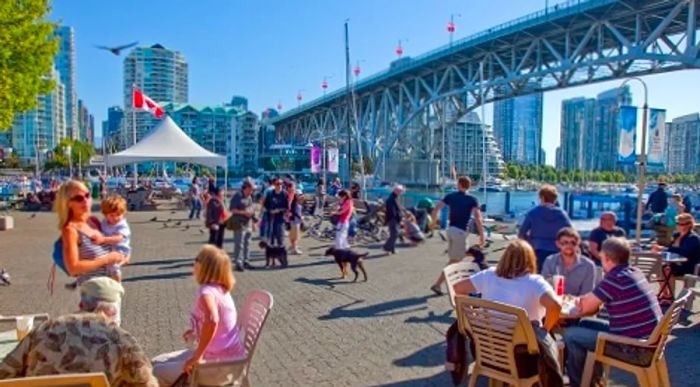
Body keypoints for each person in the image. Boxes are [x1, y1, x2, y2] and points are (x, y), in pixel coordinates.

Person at [0, 277, 157, 386]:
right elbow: (146, 383)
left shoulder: (46, 328)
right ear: (112, 311)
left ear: (82, 304)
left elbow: (5, 373)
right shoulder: (122, 339)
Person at [453, 240, 563, 377]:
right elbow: (555, 306)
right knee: (550, 342)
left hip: (485, 353)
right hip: (522, 362)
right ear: (530, 259)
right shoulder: (535, 282)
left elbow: (458, 288)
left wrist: (473, 318)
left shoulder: (489, 275)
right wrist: (545, 329)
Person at [563, 237, 662, 387]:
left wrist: (580, 301)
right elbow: (592, 304)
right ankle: (592, 380)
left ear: (608, 259)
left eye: (602, 258)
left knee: (571, 334)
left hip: (634, 348)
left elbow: (587, 307)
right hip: (648, 340)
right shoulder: (634, 271)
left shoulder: (615, 279)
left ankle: (580, 383)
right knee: (583, 323)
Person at [152, 245, 245, 386]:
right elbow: (217, 324)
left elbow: (213, 321)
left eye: (197, 259)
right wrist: (195, 331)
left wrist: (197, 356)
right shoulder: (221, 288)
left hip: (216, 368)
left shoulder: (206, 292)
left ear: (205, 267)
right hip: (230, 362)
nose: (193, 263)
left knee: (154, 372)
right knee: (155, 362)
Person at [55, 180, 127, 286]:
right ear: (68, 203)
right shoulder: (70, 230)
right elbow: (73, 268)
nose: (85, 200)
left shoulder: (93, 221)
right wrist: (107, 259)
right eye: (79, 198)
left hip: (112, 291)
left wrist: (120, 256)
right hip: (94, 294)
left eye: (87, 195)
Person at [430, 176, 484, 295]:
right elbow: (478, 219)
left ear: (458, 185)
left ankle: (450, 285)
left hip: (451, 230)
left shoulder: (450, 196)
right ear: (469, 186)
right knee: (455, 261)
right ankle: (440, 285)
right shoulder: (472, 199)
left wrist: (433, 224)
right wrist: (482, 236)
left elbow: (436, 209)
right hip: (460, 232)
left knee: (455, 260)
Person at [518, 184, 572, 272]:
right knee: (555, 278)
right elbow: (571, 233)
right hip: (556, 251)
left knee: (536, 277)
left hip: (536, 250)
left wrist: (529, 242)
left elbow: (522, 233)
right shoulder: (562, 214)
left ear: (542, 198)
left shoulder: (533, 213)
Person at [541, 228, 596, 296]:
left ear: (578, 244)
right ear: (558, 244)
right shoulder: (550, 261)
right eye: (565, 242)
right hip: (554, 302)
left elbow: (586, 293)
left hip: (578, 304)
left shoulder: (588, 266)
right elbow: (544, 288)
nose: (569, 246)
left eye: (573, 243)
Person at [92, 195, 132, 282]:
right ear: (105, 214)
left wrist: (103, 239)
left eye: (118, 214)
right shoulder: (105, 222)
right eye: (111, 215)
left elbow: (118, 238)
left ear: (124, 213)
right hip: (108, 248)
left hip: (120, 249)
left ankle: (117, 284)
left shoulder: (122, 225)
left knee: (113, 267)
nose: (115, 218)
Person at [652, 213, 700, 278]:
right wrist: (659, 250)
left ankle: (669, 288)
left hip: (688, 266)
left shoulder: (692, 238)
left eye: (681, 224)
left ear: (689, 225)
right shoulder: (676, 235)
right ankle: (665, 288)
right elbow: (670, 249)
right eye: (677, 223)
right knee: (660, 268)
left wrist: (663, 248)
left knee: (667, 270)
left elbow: (683, 252)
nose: (678, 226)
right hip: (675, 264)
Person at [229, 181, 256, 272]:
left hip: (248, 222)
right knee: (239, 243)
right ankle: (238, 263)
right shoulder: (237, 196)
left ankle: (246, 261)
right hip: (239, 222)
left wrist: (253, 220)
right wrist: (244, 212)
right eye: (251, 189)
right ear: (246, 188)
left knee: (247, 242)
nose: (252, 191)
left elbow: (252, 208)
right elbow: (232, 209)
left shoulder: (249, 197)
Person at [262, 178, 288, 247]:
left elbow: (287, 207)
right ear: (274, 185)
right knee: (271, 235)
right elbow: (265, 205)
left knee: (280, 235)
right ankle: (271, 251)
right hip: (271, 217)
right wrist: (270, 210)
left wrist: (279, 210)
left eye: (281, 184)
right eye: (277, 184)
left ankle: (280, 251)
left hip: (280, 218)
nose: (279, 185)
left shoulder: (284, 194)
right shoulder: (270, 194)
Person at [383, 184, 405, 254]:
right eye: (399, 191)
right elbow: (392, 211)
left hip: (394, 218)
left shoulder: (395, 197)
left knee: (394, 234)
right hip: (393, 219)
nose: (400, 192)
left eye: (401, 191)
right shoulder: (392, 199)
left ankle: (392, 249)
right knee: (395, 234)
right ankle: (386, 247)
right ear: (395, 190)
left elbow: (398, 208)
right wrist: (398, 218)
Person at [286, 182, 303, 255]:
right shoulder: (286, 197)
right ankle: (294, 248)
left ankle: (293, 247)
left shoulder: (296, 195)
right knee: (294, 234)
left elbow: (300, 202)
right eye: (290, 190)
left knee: (296, 234)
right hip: (292, 217)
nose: (291, 191)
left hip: (297, 216)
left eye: (292, 189)